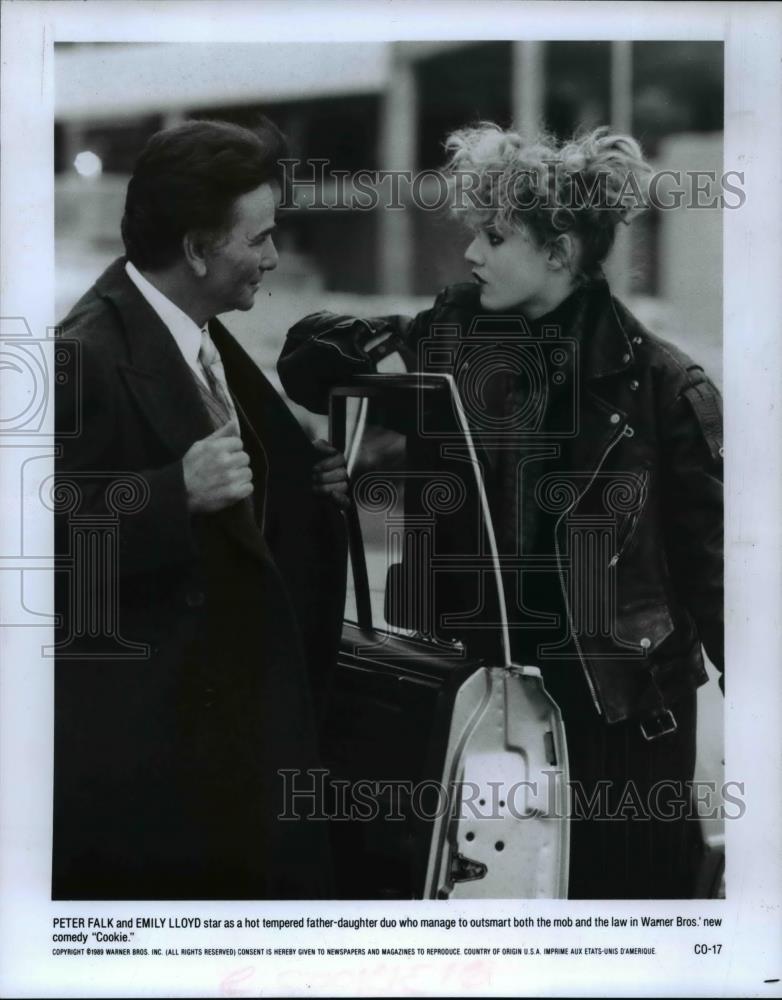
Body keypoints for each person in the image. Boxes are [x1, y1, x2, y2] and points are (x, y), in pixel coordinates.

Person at [278, 123, 724, 899]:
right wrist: (380, 350)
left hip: (618, 713)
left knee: (619, 921)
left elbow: (717, 579)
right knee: (483, 918)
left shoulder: (661, 387)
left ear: (559, 254)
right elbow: (305, 367)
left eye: (494, 235)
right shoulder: (453, 340)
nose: (472, 255)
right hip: (477, 697)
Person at [53, 119, 348, 900]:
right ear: (194, 249)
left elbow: (247, 497)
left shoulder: (196, 332)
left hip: (230, 751)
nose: (274, 258)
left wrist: (308, 478)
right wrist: (168, 493)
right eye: (260, 238)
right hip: (157, 785)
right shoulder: (82, 357)